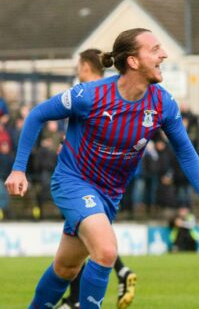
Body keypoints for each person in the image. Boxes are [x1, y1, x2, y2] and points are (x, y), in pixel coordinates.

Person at [5, 28, 199, 309]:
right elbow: (37, 114)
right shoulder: (89, 95)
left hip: (109, 195)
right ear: (133, 61)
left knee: (66, 268)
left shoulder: (162, 103)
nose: (163, 54)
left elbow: (186, 152)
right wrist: (19, 169)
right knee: (105, 251)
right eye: (154, 49)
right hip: (73, 181)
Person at [57, 49, 138, 309]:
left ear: (84, 65)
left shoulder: (87, 92)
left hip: (85, 178)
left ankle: (76, 300)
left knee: (87, 238)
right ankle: (81, 295)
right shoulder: (112, 89)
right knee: (89, 239)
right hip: (110, 178)